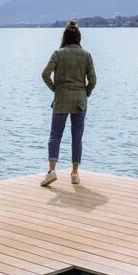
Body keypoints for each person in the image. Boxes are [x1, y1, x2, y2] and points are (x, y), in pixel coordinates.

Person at [40, 20, 97, 186]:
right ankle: (74, 173)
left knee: (55, 136)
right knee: (76, 137)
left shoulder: (58, 53)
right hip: (80, 100)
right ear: (79, 37)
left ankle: (51, 171)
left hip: (61, 98)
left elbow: (45, 74)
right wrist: (86, 92)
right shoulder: (86, 55)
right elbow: (93, 80)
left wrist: (55, 89)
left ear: (64, 36)